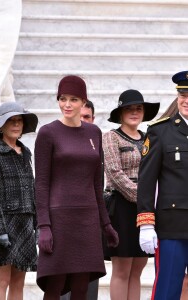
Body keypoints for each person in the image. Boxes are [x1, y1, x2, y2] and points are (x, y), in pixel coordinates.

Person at [34, 75, 119, 300]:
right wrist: (43, 225)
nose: (67, 104)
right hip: (59, 219)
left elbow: (96, 183)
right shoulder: (48, 132)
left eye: (73, 99)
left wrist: (106, 223)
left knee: (81, 288)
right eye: (63, 99)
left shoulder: (94, 133)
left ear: (84, 102)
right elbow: (41, 183)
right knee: (55, 285)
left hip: (87, 220)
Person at [102, 89, 159, 300]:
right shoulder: (110, 137)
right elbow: (115, 174)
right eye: (129, 109)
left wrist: (151, 201)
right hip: (122, 208)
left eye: (138, 108)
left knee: (138, 269)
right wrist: (145, 198)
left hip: (146, 209)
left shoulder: (150, 138)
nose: (134, 112)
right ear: (120, 113)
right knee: (122, 269)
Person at [137, 70, 188, 300]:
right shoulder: (160, 131)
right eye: (183, 95)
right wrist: (146, 223)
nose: (186, 101)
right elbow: (146, 180)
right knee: (167, 290)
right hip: (172, 227)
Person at [0, 101, 38, 300]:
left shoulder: (26, 152)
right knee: (1, 280)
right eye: (11, 121)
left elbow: (32, 188)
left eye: (19, 120)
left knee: (18, 282)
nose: (16, 125)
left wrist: (36, 224)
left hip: (26, 222)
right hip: (5, 223)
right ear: (1, 125)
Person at [61, 99, 99, 300]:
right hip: (63, 221)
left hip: (89, 221)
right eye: (80, 116)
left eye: (87, 117)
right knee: (60, 284)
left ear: (94, 119)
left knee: (87, 286)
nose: (83, 120)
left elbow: (98, 185)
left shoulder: (96, 139)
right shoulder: (57, 138)